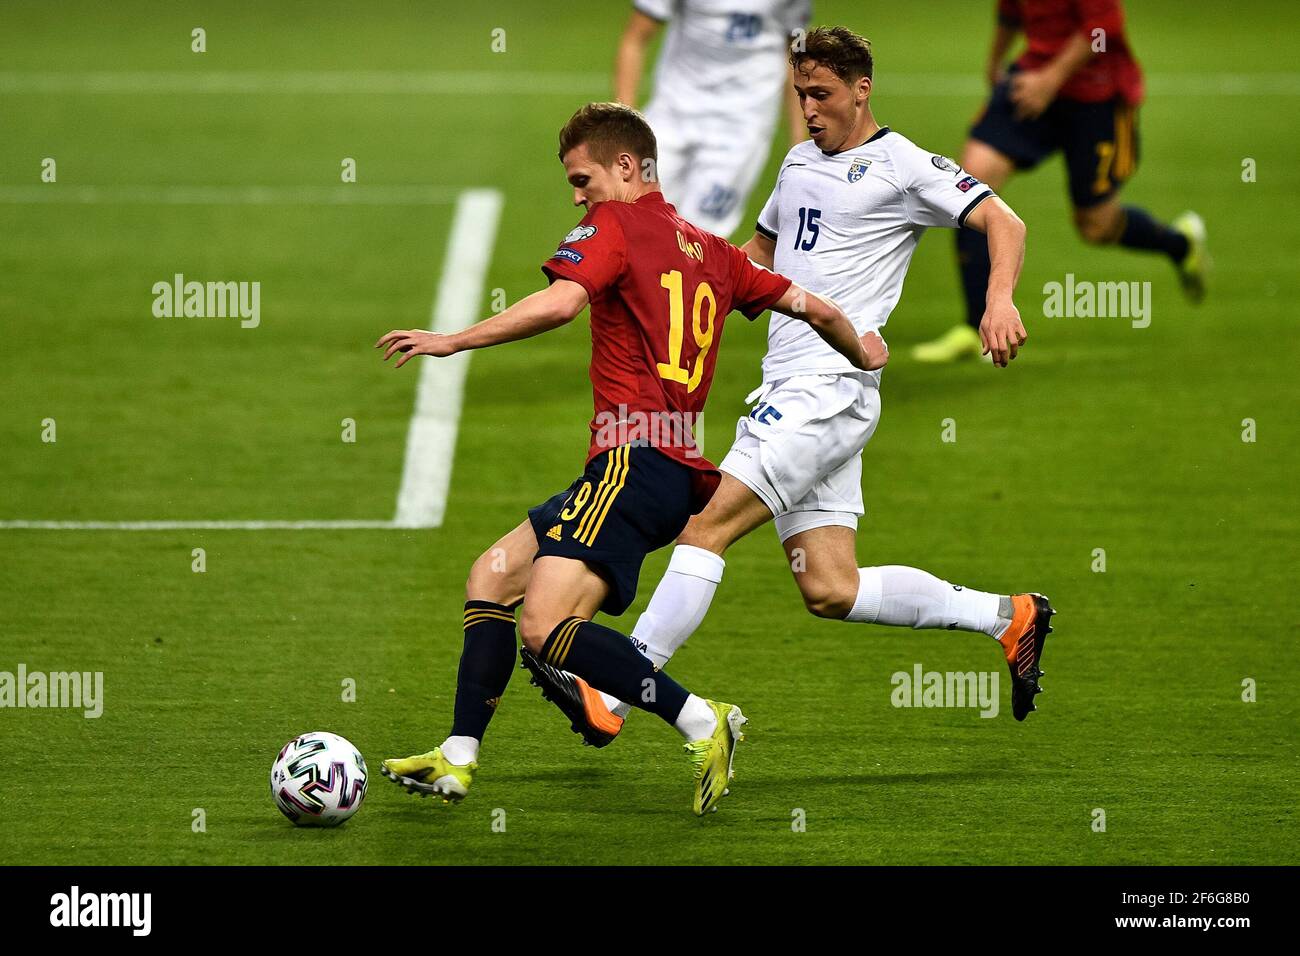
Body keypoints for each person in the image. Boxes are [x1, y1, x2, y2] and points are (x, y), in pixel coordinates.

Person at [523, 28, 1055, 748]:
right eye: (800, 92)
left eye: (822, 94)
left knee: (704, 527)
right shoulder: (800, 161)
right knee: (831, 588)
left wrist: (998, 301)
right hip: (803, 390)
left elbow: (1004, 219)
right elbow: (761, 254)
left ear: (861, 90)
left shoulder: (900, 165)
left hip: (827, 389)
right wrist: (681, 276)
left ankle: (618, 690)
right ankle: (1009, 616)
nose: (807, 108)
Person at [377, 101, 886, 815]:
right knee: (493, 575)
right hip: (669, 471)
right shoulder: (720, 254)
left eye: (582, 179)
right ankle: (458, 758)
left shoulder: (613, 225)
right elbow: (817, 308)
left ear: (626, 165)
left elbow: (560, 306)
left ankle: (704, 722)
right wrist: (861, 351)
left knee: (546, 628)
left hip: (632, 459)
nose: (578, 197)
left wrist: (454, 341)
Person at [913, 0, 1208, 363]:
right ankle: (976, 329)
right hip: (1031, 77)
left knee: (1096, 226)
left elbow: (1103, 28)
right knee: (969, 186)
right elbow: (1010, 10)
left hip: (1096, 94)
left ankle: (1179, 245)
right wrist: (995, 61)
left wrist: (1050, 81)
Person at [615, 0, 811, 236]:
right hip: (671, 116)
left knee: (699, 239)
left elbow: (796, 51)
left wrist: (800, 140)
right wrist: (624, 124)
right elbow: (635, 38)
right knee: (631, 216)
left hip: (741, 129)